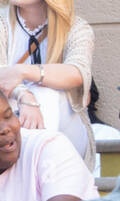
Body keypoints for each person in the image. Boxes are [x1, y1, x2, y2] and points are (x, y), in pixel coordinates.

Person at [0, 1, 94, 169]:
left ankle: (26, 174)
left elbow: (77, 72)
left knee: (48, 95)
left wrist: (24, 71)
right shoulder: (2, 22)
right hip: (10, 123)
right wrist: (24, 96)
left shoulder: (76, 28)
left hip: (67, 134)